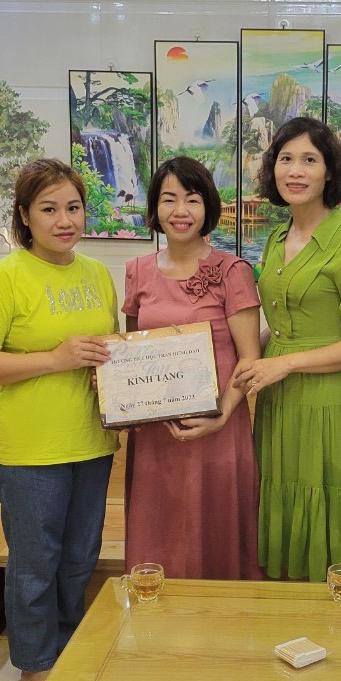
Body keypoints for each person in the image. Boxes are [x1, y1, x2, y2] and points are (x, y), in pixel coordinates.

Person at [0, 157, 118, 681]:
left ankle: (66, 645)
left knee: (79, 557)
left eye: (73, 207)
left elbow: (108, 351)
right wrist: (55, 359)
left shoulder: (96, 275)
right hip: (28, 449)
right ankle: (34, 662)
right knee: (35, 561)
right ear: (25, 216)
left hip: (91, 441)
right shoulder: (1, 279)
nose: (64, 220)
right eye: (49, 209)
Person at [234, 117, 341, 581]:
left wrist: (286, 364)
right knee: (279, 493)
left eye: (309, 160)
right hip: (277, 398)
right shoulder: (276, 238)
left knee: (322, 500)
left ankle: (329, 612)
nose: (295, 171)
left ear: (329, 172)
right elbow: (278, 327)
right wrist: (237, 359)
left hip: (326, 400)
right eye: (286, 159)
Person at [121, 156, 263, 579]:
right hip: (156, 434)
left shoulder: (233, 271)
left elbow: (249, 358)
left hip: (218, 428)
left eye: (192, 199)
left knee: (215, 534)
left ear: (208, 207)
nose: (180, 211)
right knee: (158, 536)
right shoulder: (138, 271)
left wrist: (220, 415)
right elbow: (132, 350)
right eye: (169, 199)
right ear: (154, 207)